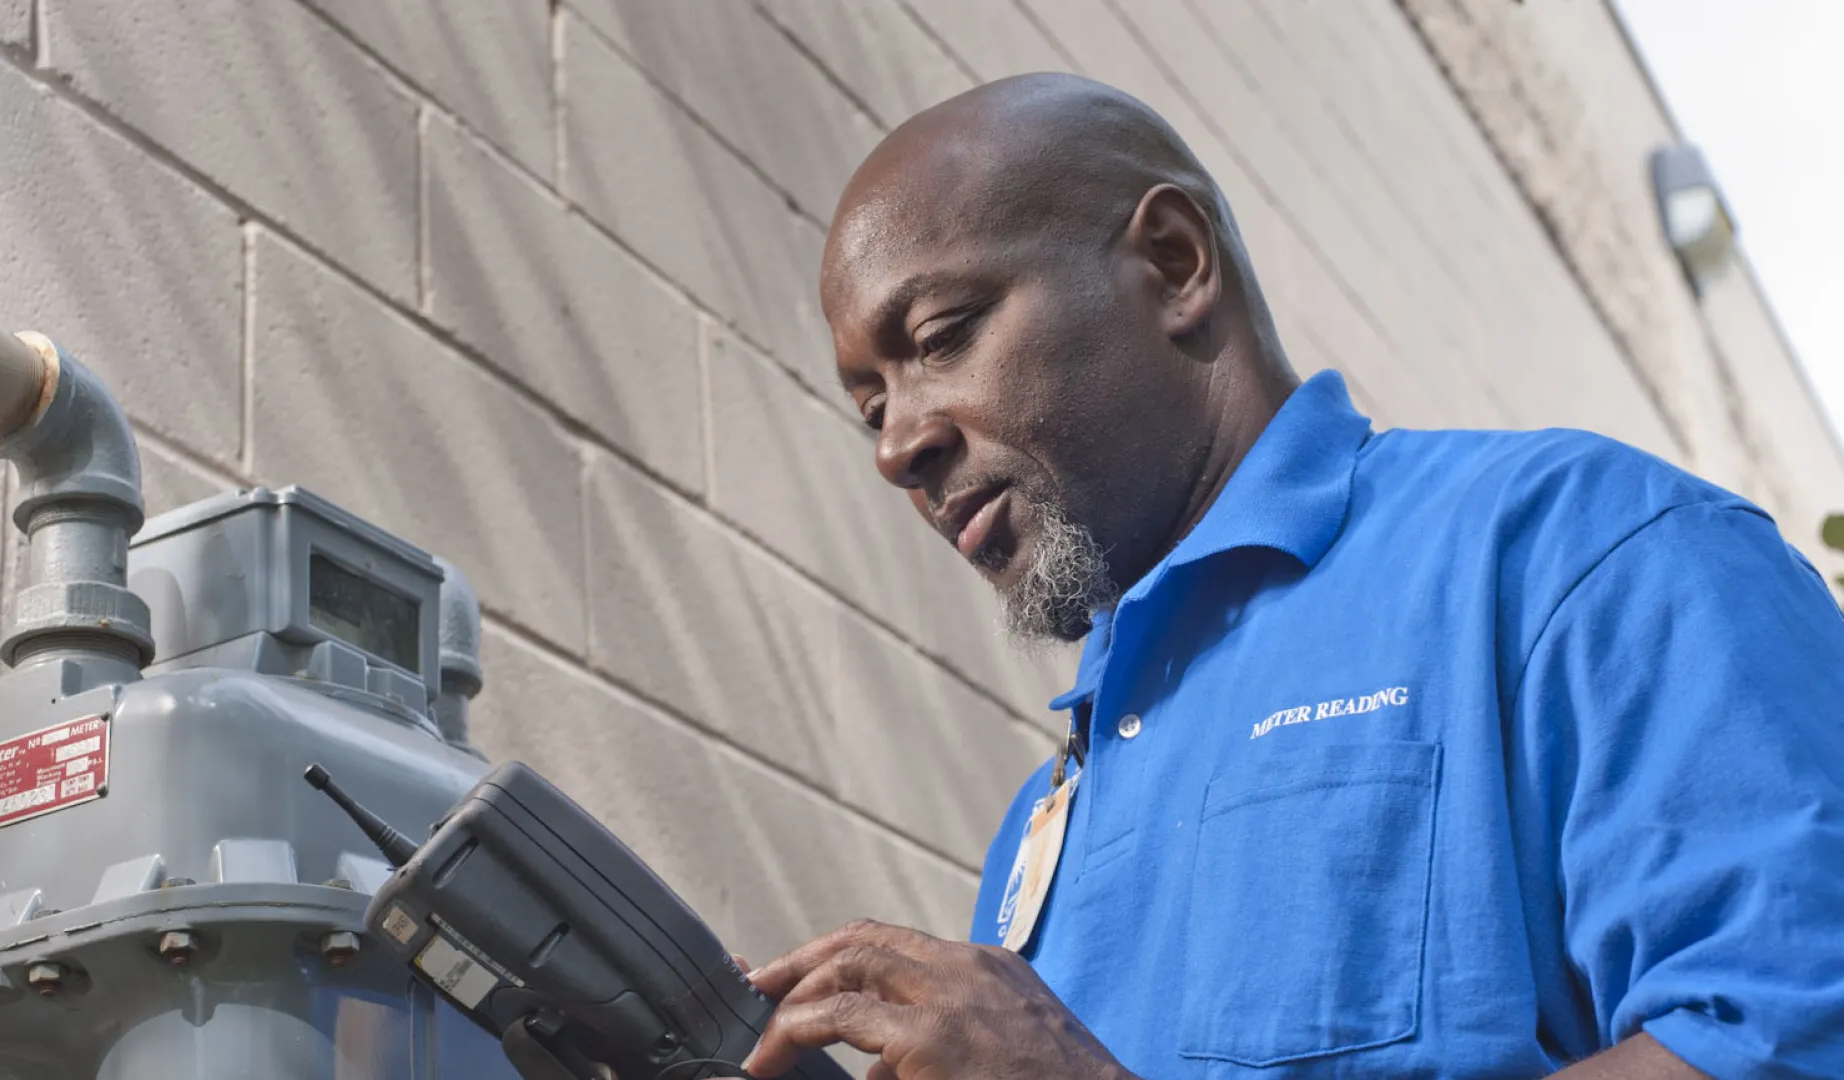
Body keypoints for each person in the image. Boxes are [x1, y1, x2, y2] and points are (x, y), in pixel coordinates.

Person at [734, 74, 1844, 1080]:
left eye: (942, 335)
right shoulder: (1050, 819)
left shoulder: (1568, 547)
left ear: (1175, 262)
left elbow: (1786, 1039)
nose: (896, 449)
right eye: (872, 408)